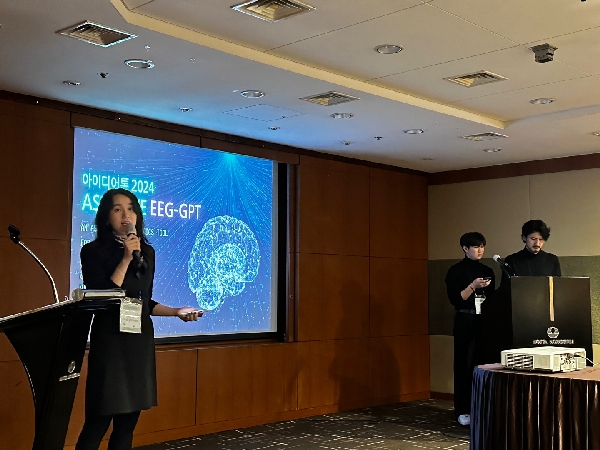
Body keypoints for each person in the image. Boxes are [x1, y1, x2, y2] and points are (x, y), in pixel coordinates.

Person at [76, 189, 202, 450]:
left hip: (138, 343)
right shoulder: (92, 251)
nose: (126, 214)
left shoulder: (147, 253)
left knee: (127, 424)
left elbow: (144, 302)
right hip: (110, 343)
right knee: (98, 420)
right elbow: (102, 296)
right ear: (106, 217)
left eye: (131, 208)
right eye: (117, 209)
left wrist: (176, 311)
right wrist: (125, 258)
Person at [445, 232, 495, 427]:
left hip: (484, 319)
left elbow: (492, 298)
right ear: (465, 248)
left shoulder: (487, 269)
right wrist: (473, 286)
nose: (480, 250)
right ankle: (463, 409)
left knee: (483, 363)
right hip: (465, 318)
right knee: (463, 363)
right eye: (475, 247)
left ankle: (481, 407)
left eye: (482, 246)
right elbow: (456, 299)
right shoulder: (455, 271)